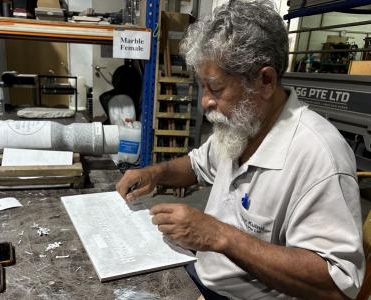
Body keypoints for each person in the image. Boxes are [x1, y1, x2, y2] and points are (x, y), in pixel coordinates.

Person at [116, 0, 365, 299]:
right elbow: (196, 165)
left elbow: (337, 285)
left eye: (216, 88)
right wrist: (155, 173)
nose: (204, 102)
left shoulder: (319, 156)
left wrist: (218, 236)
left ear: (265, 81)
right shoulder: (241, 126)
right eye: (203, 88)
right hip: (205, 275)